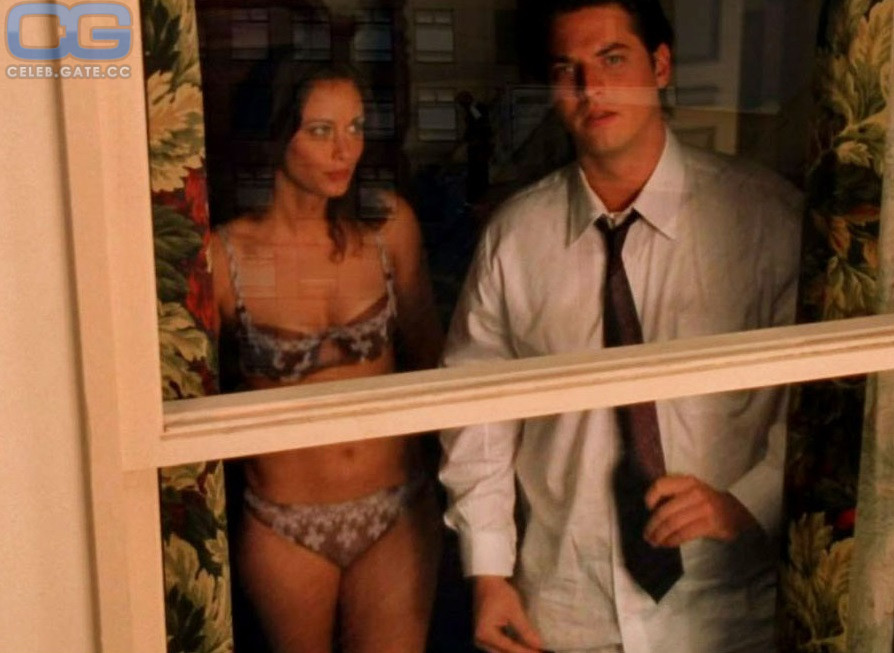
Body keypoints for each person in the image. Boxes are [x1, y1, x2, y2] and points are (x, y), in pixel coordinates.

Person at [439, 2, 802, 652]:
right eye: (567, 70)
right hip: (566, 609)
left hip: (727, 610)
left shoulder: (765, 220)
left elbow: (819, 402)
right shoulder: (515, 239)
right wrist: (488, 572)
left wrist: (748, 502)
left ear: (659, 66)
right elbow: (477, 414)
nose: (592, 89)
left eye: (612, 59)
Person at [210, 64, 443, 653]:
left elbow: (432, 359)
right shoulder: (224, 257)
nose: (345, 150)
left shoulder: (388, 227)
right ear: (276, 134)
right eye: (320, 131)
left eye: (355, 127)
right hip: (283, 521)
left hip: (396, 506)